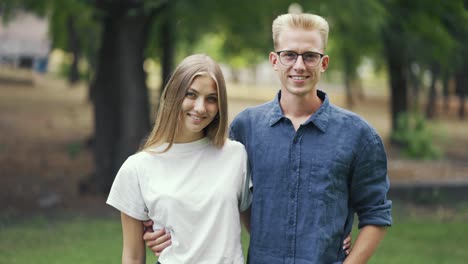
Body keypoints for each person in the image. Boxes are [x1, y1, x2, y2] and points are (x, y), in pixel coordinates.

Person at [144, 12, 388, 263]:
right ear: (275, 60)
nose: (299, 65)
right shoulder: (245, 129)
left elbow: (376, 214)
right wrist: (162, 228)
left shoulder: (358, 135)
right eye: (289, 55)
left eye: (310, 56)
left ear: (323, 63)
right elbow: (206, 188)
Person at [106, 54, 252, 263]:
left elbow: (258, 230)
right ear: (174, 95)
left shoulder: (236, 156)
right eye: (191, 94)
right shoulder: (137, 168)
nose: (200, 108)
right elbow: (132, 256)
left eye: (211, 98)